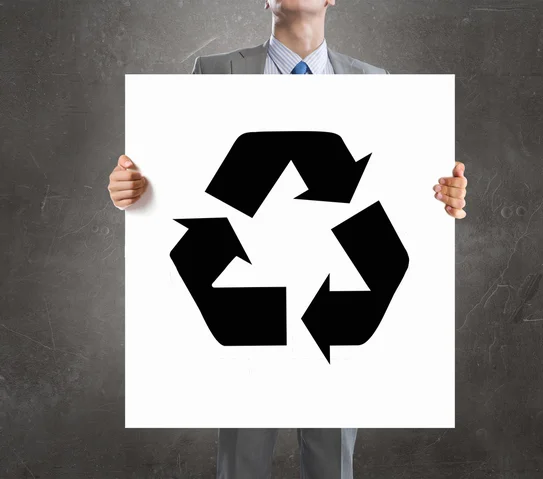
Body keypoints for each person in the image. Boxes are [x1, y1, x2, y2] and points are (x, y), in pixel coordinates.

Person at [108, 0, 468, 478]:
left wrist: (444, 196)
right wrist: (134, 189)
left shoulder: (376, 84)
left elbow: (392, 196)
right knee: (242, 464)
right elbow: (181, 178)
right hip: (247, 303)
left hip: (335, 303)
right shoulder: (212, 74)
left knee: (330, 463)